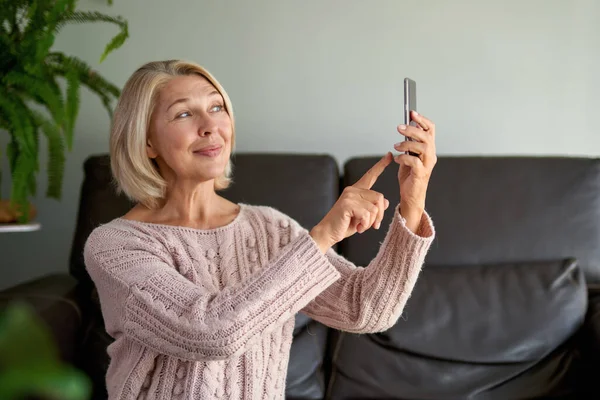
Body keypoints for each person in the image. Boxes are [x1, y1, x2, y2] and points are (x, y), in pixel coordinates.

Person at [84, 59, 437, 400]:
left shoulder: (269, 227)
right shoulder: (115, 245)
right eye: (184, 113)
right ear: (146, 141)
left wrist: (412, 202)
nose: (210, 126)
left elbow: (365, 310)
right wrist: (322, 236)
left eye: (217, 108)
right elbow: (209, 333)